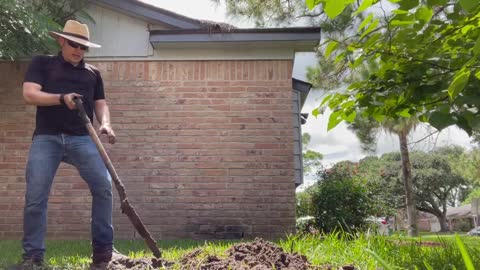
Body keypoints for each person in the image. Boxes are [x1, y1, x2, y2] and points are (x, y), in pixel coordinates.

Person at [20, 20, 118, 268]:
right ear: (61, 40)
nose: (78, 50)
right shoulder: (42, 63)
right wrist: (61, 99)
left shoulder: (93, 73)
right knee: (35, 197)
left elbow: (100, 103)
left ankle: (104, 255)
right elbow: (30, 94)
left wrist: (106, 123)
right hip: (47, 137)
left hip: (82, 139)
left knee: (104, 188)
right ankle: (33, 257)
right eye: (74, 44)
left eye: (83, 47)